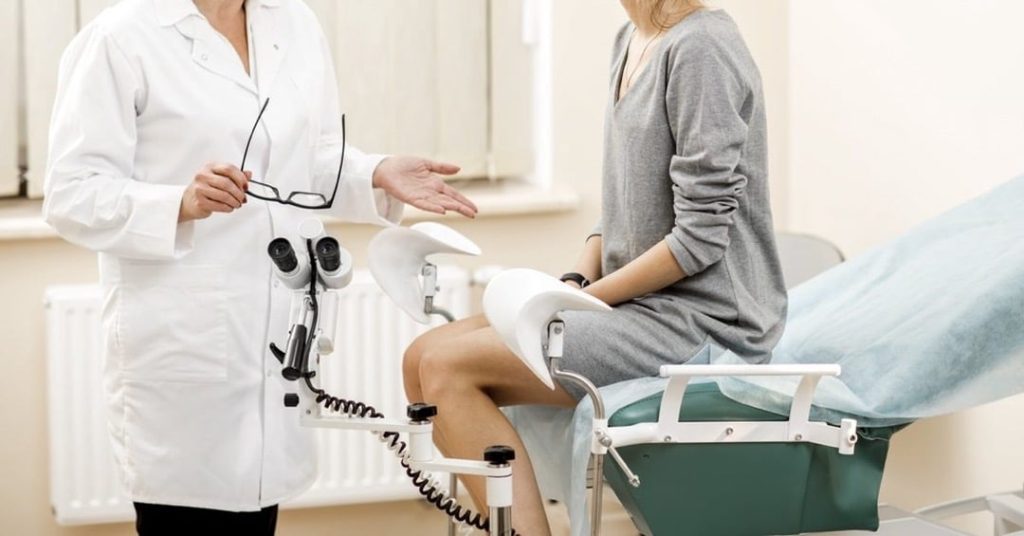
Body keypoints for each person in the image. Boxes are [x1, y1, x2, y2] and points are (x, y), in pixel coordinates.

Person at [42, 0, 476, 534]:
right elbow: (71, 193)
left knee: (258, 512)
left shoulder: (294, 22)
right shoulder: (120, 36)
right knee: (188, 514)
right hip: (183, 342)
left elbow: (310, 158)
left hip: (277, 328)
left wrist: (376, 172)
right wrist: (180, 202)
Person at [403, 0, 788, 533]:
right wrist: (573, 282)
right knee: (420, 357)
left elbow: (699, 237)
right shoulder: (631, 39)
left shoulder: (702, 48)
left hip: (704, 321)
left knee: (449, 367)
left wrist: (584, 301)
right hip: (637, 305)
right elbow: (625, 203)